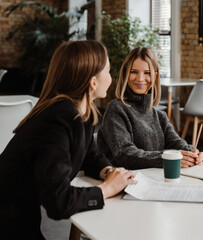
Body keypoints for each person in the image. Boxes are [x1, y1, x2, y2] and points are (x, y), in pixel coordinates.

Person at [0, 40, 136, 239]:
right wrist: (106, 189)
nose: (111, 77)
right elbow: (58, 202)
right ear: (93, 82)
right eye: (108, 70)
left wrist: (108, 172)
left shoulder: (81, 113)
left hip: (20, 214)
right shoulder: (58, 119)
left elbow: (90, 155)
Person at [97, 47, 203, 170]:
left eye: (147, 73)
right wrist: (165, 158)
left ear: (155, 76)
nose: (140, 78)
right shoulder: (116, 109)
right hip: (127, 183)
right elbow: (125, 154)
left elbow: (176, 143)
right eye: (134, 72)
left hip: (157, 181)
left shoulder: (160, 116)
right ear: (126, 73)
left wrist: (190, 153)